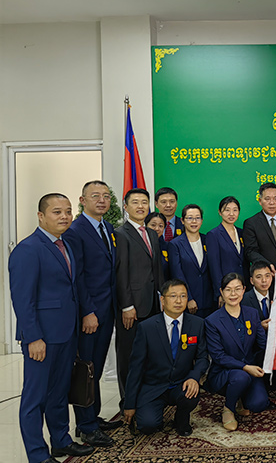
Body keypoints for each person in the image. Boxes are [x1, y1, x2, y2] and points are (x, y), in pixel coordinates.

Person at [9, 193, 95, 463]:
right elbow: (22, 300)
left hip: (66, 333)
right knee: (35, 398)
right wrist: (33, 337)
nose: (65, 217)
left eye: (68, 211)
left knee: (59, 392)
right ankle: (37, 454)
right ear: (41, 216)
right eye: (57, 212)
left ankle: (61, 441)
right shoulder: (28, 249)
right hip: (42, 337)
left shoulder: (65, 244)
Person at [62, 181, 121, 447]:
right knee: (85, 369)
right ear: (82, 200)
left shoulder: (107, 227)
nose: (101, 200)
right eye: (95, 196)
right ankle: (86, 427)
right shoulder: (76, 231)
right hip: (91, 313)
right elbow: (77, 277)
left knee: (94, 368)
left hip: (107, 310)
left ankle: (92, 418)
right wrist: (87, 311)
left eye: (106, 196)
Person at [123, 279, 209, 436]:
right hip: (154, 386)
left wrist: (194, 377)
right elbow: (135, 368)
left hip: (181, 383)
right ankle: (149, 414)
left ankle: (181, 419)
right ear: (162, 300)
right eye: (173, 296)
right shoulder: (147, 328)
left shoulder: (197, 324)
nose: (178, 301)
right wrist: (129, 404)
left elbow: (203, 357)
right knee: (148, 426)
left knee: (191, 394)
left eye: (183, 296)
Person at [115, 188, 164, 407]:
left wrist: (162, 297)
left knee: (150, 354)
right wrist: (126, 305)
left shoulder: (151, 233)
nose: (141, 206)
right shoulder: (121, 234)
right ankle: (128, 403)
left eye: (144, 202)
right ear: (126, 207)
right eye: (135, 202)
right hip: (132, 307)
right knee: (129, 356)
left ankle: (147, 399)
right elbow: (121, 273)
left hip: (152, 304)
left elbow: (157, 269)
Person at [206, 273, 270, 431]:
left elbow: (264, 344)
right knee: (241, 377)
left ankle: (241, 398)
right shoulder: (212, 321)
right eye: (228, 290)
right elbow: (218, 356)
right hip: (225, 372)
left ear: (244, 290)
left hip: (249, 369)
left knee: (259, 404)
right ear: (221, 292)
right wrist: (245, 367)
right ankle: (228, 408)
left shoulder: (252, 314)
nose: (233, 294)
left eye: (237, 289)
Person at [169, 204, 215, 317]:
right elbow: (177, 274)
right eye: (190, 218)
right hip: (190, 302)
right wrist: (188, 298)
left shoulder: (208, 239)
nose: (194, 221)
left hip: (210, 300)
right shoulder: (175, 244)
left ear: (202, 221)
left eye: (197, 218)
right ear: (182, 221)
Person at [243, 182, 276, 275]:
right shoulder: (251, 223)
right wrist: (267, 265)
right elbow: (250, 251)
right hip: (266, 274)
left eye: (275, 199)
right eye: (267, 199)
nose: (272, 203)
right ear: (260, 201)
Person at [207, 196, 246, 291]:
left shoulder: (242, 232)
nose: (231, 214)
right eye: (227, 210)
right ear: (220, 212)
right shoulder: (213, 235)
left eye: (235, 210)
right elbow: (214, 267)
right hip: (226, 287)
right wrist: (220, 291)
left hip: (243, 285)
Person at [146, 212, 170, 280]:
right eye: (153, 225)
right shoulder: (140, 245)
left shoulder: (168, 247)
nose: (157, 228)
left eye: (161, 226)